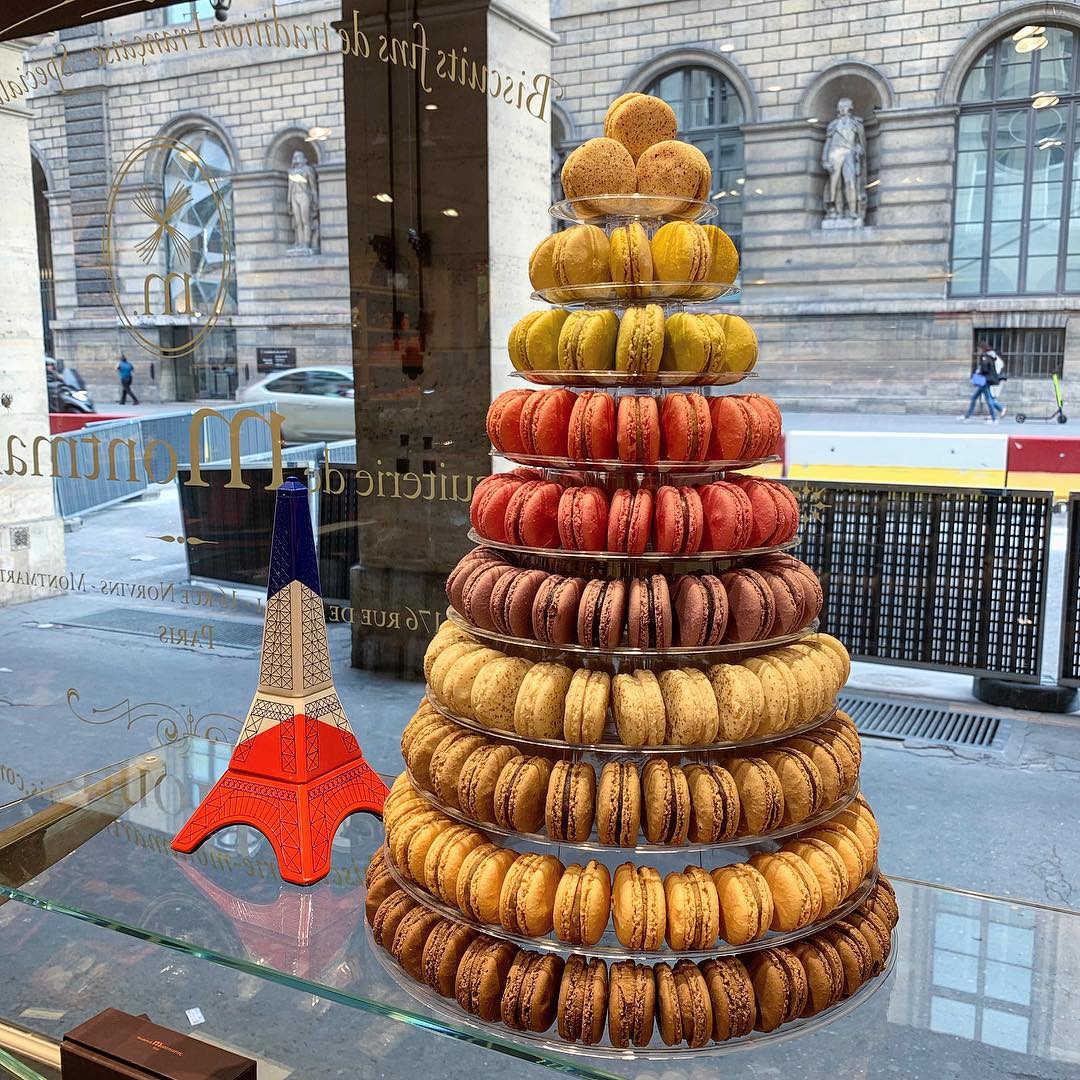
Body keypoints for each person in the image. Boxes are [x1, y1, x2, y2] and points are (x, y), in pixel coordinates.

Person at [960, 345, 1003, 423]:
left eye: (979, 349)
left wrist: (978, 374)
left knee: (988, 399)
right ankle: (967, 416)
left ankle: (994, 419)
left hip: (984, 380)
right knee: (974, 398)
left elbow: (984, 369)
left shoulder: (985, 357)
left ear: (982, 349)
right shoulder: (991, 356)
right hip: (986, 379)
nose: (978, 351)